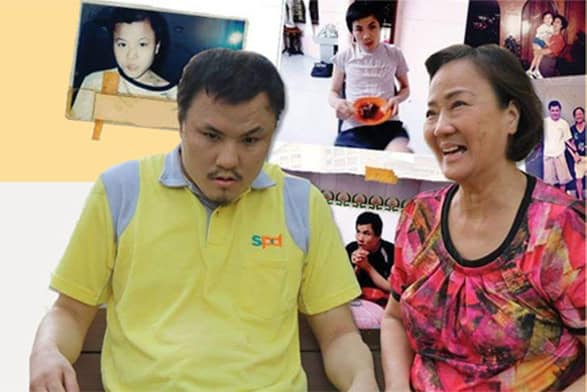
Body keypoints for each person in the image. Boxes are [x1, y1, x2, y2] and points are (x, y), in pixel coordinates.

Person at [30, 49, 378, 391]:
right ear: (180, 123)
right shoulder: (121, 191)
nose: (228, 159)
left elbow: (339, 335)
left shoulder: (302, 204)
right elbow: (70, 312)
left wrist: (361, 381)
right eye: (211, 136)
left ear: (273, 132)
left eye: (251, 140)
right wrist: (47, 353)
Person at [381, 44, 585, 391]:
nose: (441, 127)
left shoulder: (559, 227)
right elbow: (393, 318)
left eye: (458, 105)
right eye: (432, 113)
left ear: (511, 116)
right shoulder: (420, 218)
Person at [328, 1, 411, 152]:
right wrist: (337, 103)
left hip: (388, 125)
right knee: (354, 169)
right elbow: (333, 91)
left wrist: (397, 99)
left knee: (401, 158)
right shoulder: (344, 56)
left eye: (372, 26)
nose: (367, 35)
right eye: (359, 29)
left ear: (380, 26)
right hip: (354, 129)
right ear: (352, 32)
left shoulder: (394, 54)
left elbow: (405, 88)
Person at [70, 7, 177, 121]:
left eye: (142, 44)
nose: (131, 55)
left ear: (156, 47)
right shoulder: (96, 82)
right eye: (122, 44)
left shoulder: (175, 96)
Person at [346, 211, 394, 303]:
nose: (360, 238)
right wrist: (358, 266)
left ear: (378, 236)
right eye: (358, 232)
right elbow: (345, 287)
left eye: (366, 233)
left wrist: (367, 267)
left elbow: (391, 288)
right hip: (356, 300)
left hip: (382, 301)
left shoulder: (390, 251)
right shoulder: (351, 248)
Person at [543, 100, 573, 191]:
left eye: (557, 110)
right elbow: (537, 135)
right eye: (553, 110)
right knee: (549, 182)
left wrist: (575, 152)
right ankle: (552, 201)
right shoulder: (544, 122)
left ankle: (562, 201)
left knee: (563, 180)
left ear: (560, 111)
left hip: (560, 154)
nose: (555, 113)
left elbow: (567, 140)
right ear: (549, 111)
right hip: (548, 154)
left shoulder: (564, 124)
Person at [526, 11, 554, 79]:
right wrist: (548, 43)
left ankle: (535, 70)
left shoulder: (552, 28)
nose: (548, 19)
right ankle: (530, 70)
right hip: (537, 41)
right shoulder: (542, 27)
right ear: (543, 20)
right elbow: (543, 37)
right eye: (546, 18)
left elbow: (550, 37)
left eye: (550, 17)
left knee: (540, 56)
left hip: (543, 44)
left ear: (552, 19)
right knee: (536, 56)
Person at [567, 106, 585, 200]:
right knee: (579, 179)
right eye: (577, 114)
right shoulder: (572, 129)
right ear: (574, 117)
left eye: (580, 114)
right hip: (579, 158)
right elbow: (568, 144)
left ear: (584, 115)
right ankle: (581, 200)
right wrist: (574, 155)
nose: (579, 116)